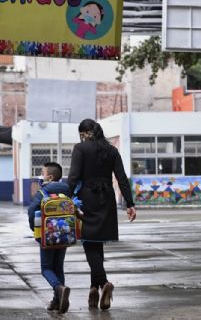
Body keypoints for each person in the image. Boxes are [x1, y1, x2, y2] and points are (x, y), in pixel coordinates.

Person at [67, 119, 136, 311]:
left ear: (83, 132)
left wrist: (64, 198)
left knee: (89, 242)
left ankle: (104, 283)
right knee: (97, 243)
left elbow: (73, 177)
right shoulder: (111, 150)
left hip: (86, 199)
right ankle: (93, 290)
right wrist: (130, 204)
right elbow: (121, 178)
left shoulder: (80, 148)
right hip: (106, 198)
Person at [27, 162, 72, 313]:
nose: (41, 174)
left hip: (47, 236)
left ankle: (59, 288)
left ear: (50, 177)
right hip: (65, 234)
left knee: (46, 268)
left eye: (43, 172)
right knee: (58, 267)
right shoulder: (68, 191)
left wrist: (35, 230)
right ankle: (57, 301)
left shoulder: (43, 192)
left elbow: (32, 210)